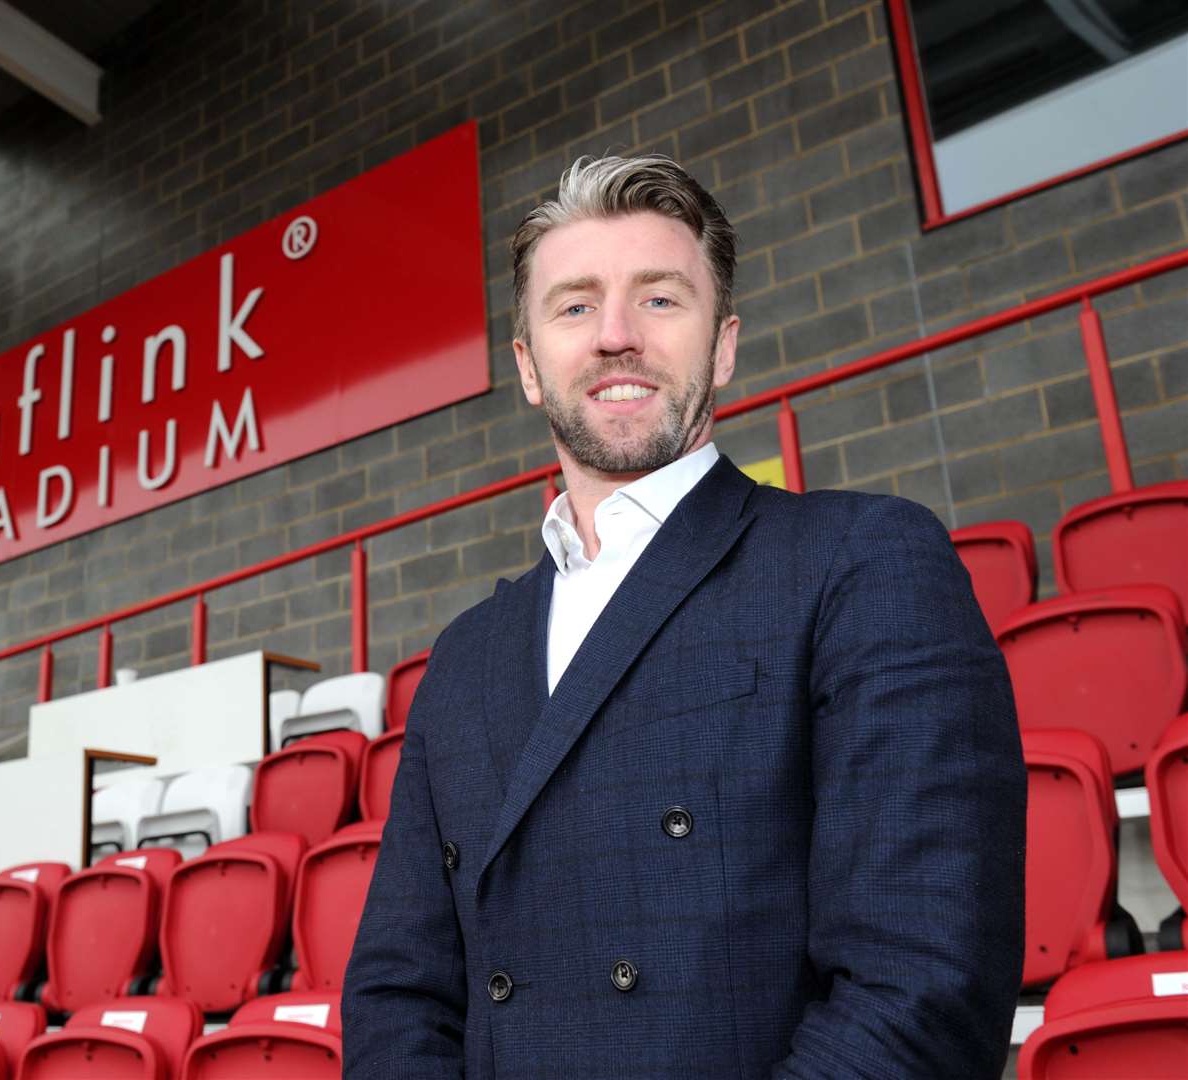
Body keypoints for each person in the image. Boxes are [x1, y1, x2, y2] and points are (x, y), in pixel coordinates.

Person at [341, 154, 1026, 1078]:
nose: (616, 334)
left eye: (660, 299)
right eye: (575, 306)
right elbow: (398, 993)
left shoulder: (861, 561)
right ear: (530, 368)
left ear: (725, 343)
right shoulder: (463, 658)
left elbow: (922, 988)